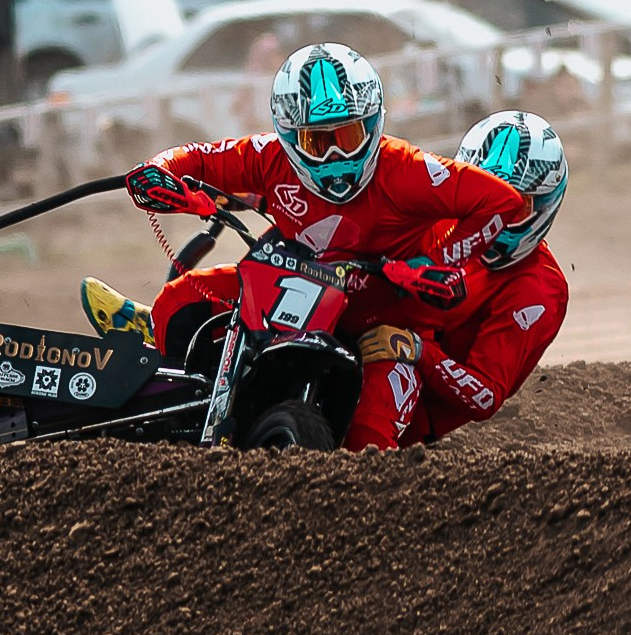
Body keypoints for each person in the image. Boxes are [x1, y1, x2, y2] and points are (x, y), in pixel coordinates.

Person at [79, 42, 525, 451]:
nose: (335, 157)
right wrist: (157, 173)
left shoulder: (407, 169)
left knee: (369, 445)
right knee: (179, 300)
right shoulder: (268, 155)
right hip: (290, 289)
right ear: (289, 135)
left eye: (348, 136)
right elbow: (195, 157)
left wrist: (433, 261)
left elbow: (502, 202)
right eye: (318, 141)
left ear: (374, 124)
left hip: (382, 322)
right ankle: (159, 391)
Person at [357, 111, 574, 449]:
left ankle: (362, 467)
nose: (496, 215)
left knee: (368, 423)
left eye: (515, 207)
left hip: (414, 387)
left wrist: (416, 350)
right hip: (367, 321)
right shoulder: (444, 218)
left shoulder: (539, 288)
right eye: (484, 197)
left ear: (546, 206)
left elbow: (485, 395)